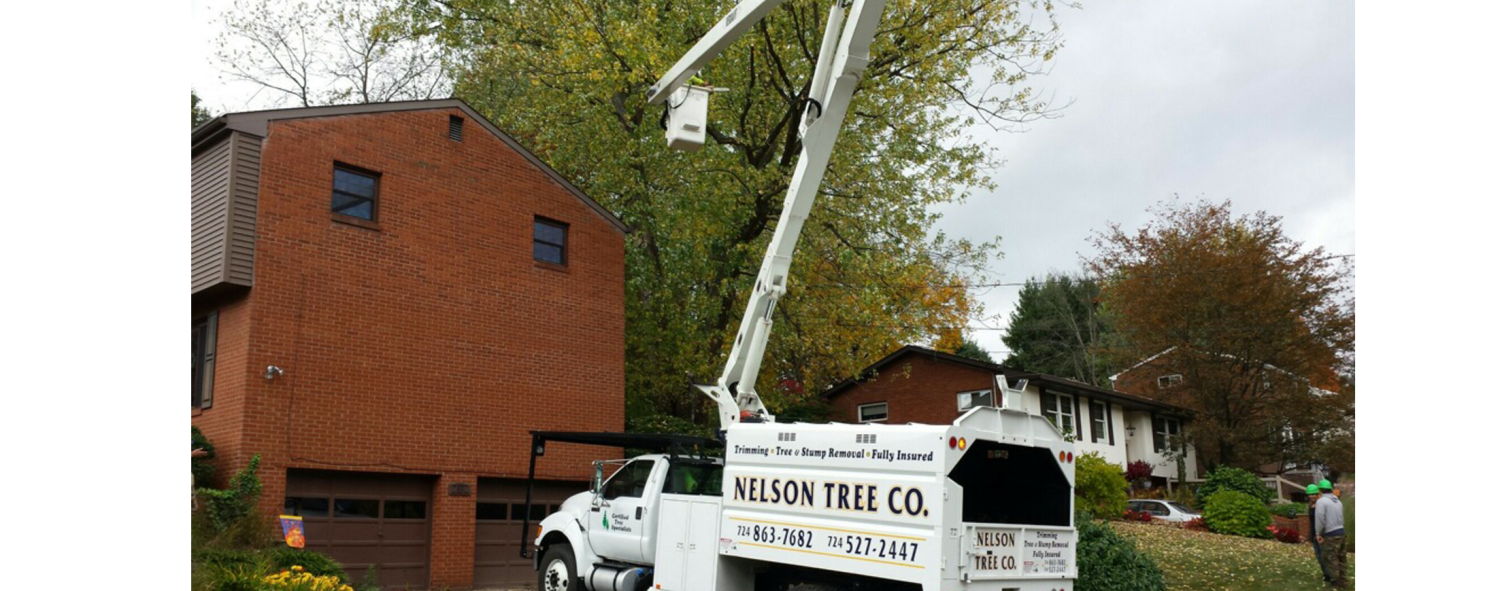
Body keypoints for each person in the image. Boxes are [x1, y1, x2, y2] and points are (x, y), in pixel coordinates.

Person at [1314, 480, 1347, 588]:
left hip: (1330, 534)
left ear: (1320, 489)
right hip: (1341, 533)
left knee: (1330, 559)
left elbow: (1320, 519)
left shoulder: (1321, 501)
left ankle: (1335, 584)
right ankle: (1344, 582)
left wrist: (1318, 533)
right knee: (1341, 559)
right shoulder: (1337, 501)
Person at [1306, 484, 1331, 584]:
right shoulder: (1310, 506)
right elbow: (1311, 523)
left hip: (1322, 535)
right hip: (1315, 535)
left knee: (1325, 556)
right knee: (1319, 557)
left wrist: (1322, 534)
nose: (1311, 496)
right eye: (1310, 494)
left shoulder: (1321, 504)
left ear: (1318, 494)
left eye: (1313, 494)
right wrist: (1309, 538)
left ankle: (1330, 575)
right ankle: (1326, 575)